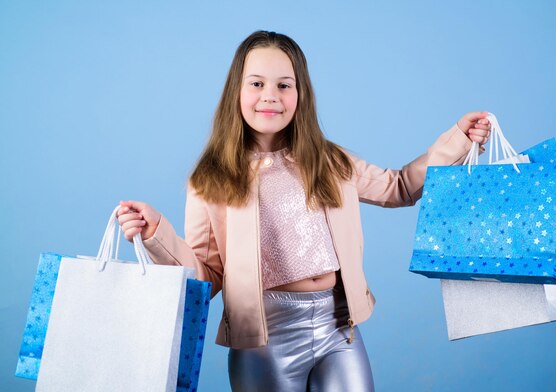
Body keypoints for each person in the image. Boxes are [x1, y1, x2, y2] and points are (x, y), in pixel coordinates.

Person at [117, 30, 491, 392]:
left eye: (284, 85)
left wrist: (457, 140)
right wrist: (157, 234)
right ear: (237, 91)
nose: (270, 96)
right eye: (257, 83)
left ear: (300, 94)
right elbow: (207, 276)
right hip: (265, 340)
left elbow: (399, 187)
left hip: (338, 328)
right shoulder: (211, 179)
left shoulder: (329, 160)